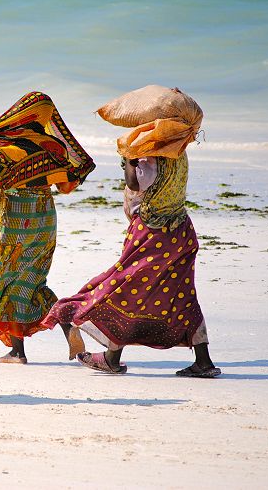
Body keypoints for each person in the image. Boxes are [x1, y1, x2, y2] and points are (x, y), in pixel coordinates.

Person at [42, 151, 221, 378]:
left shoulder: (148, 159)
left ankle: (105, 351)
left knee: (123, 289)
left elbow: (134, 182)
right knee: (183, 295)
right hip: (182, 230)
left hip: (152, 233)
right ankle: (203, 362)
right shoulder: (178, 153)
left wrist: (129, 159)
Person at [0, 91, 95, 364]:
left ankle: (17, 352)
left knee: (4, 282)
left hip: (14, 219)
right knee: (34, 281)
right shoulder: (52, 147)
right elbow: (66, 186)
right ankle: (68, 326)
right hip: (44, 218)